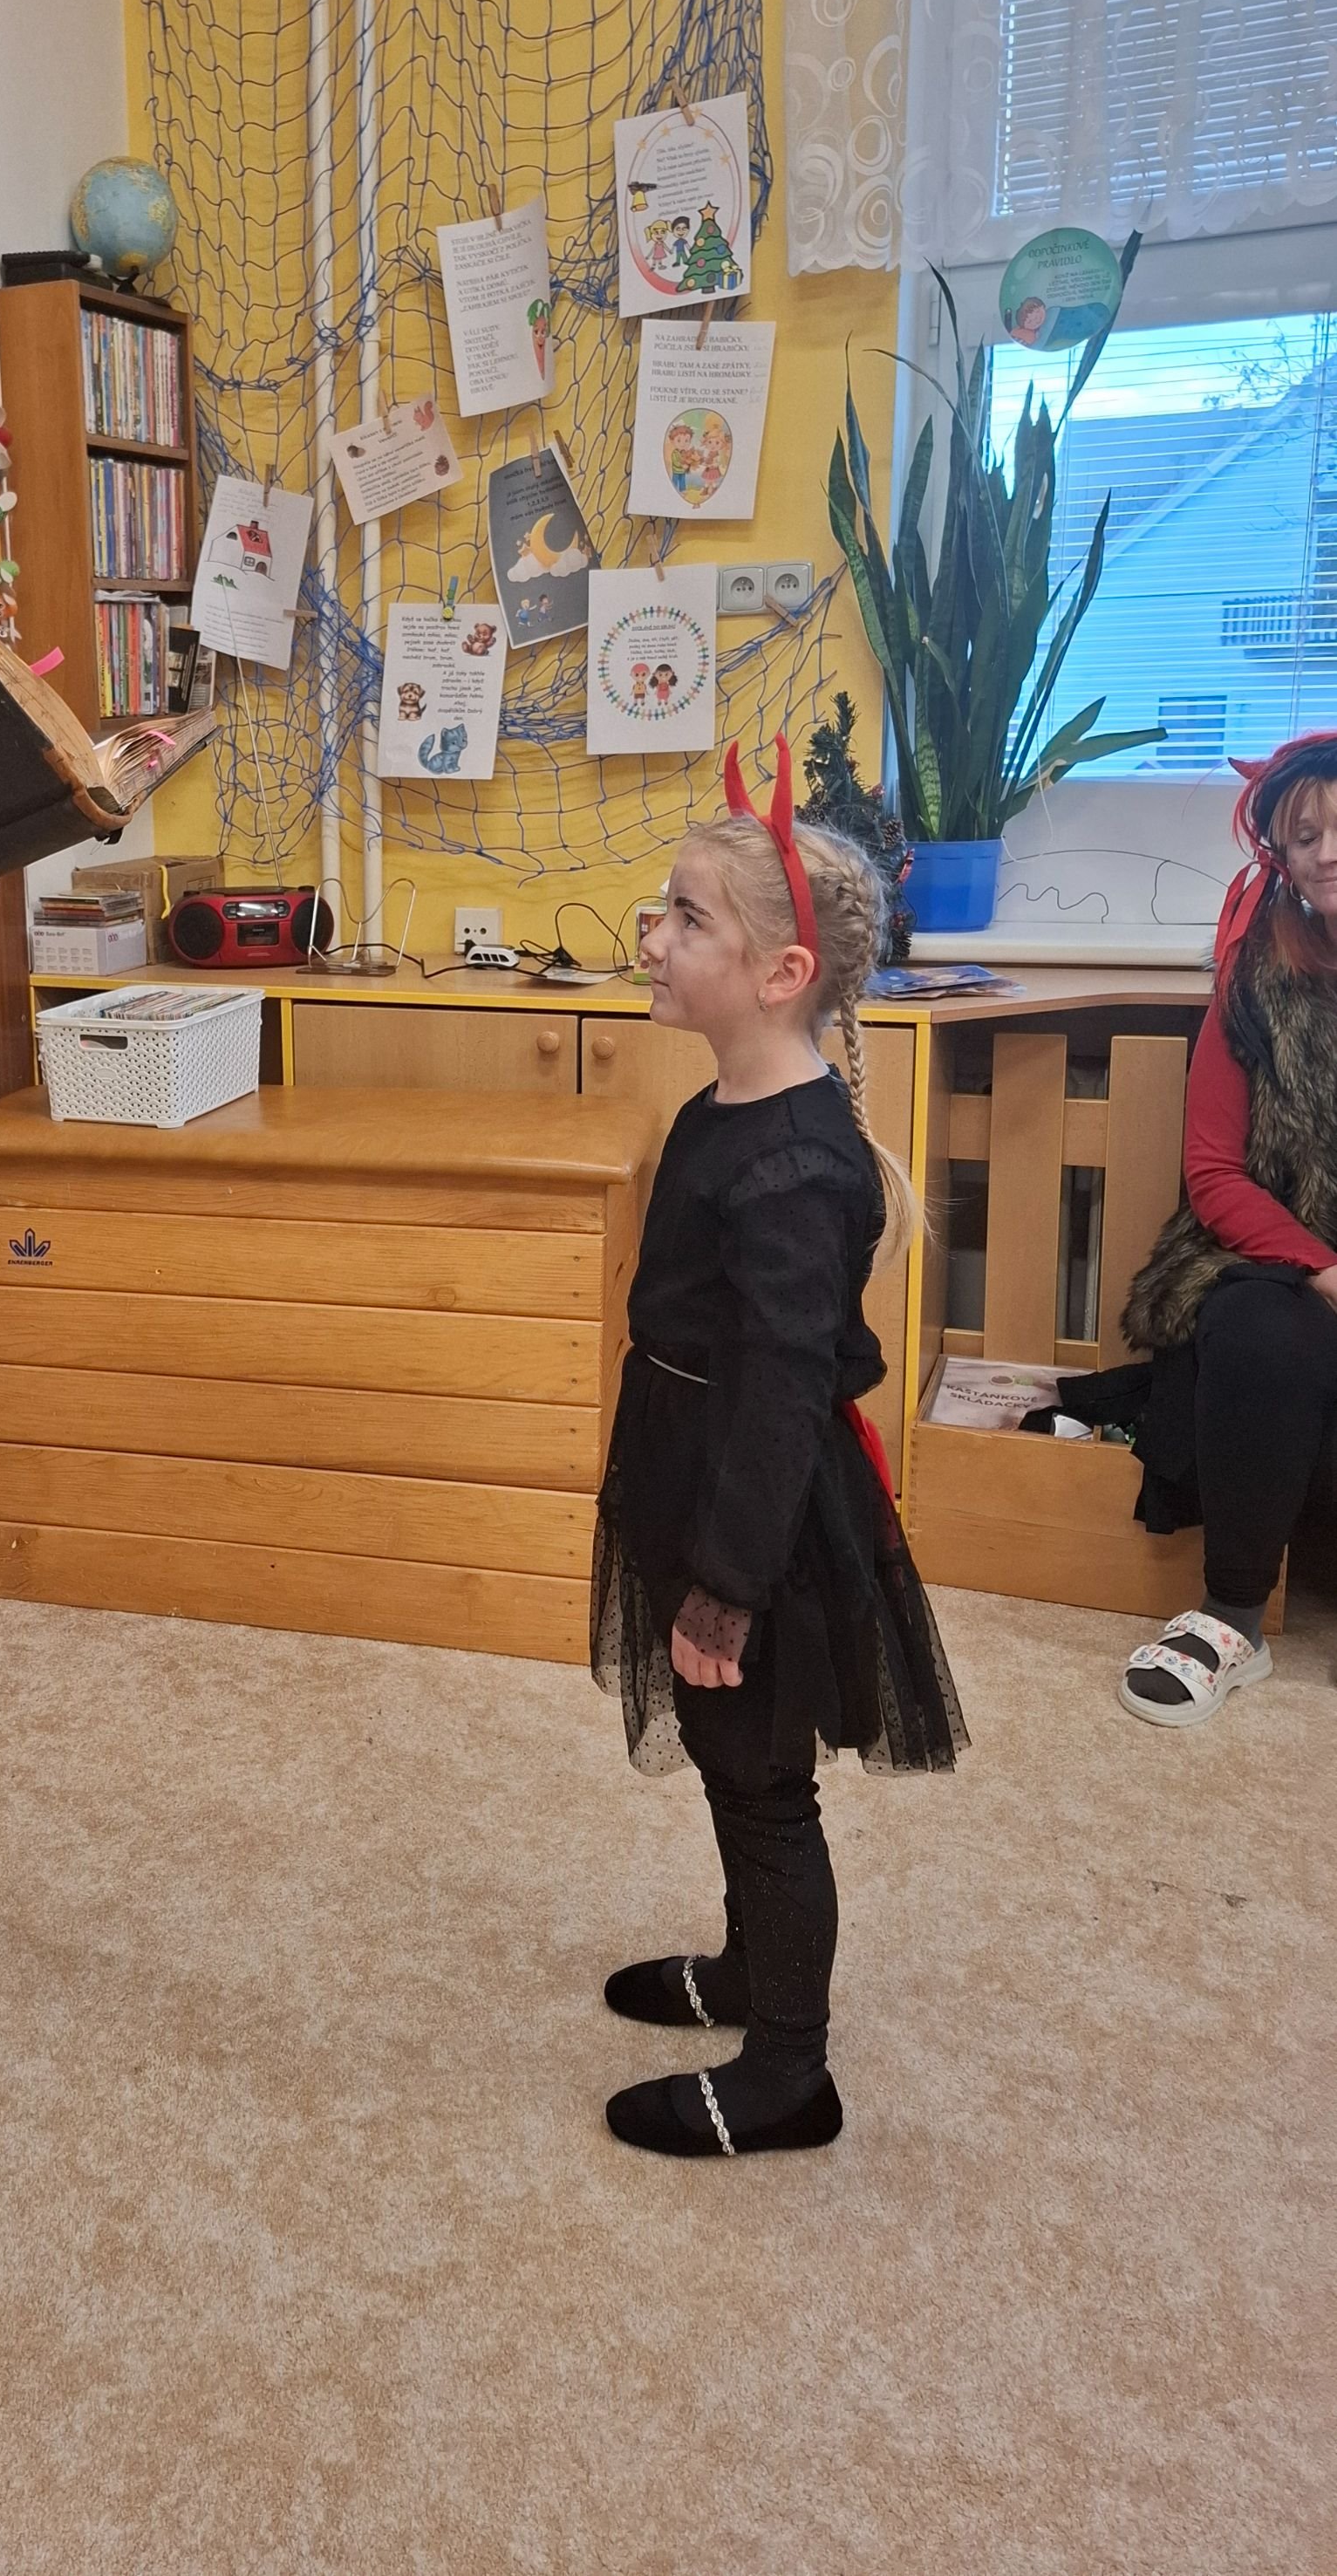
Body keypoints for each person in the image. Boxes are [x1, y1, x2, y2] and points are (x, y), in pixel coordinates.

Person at [594, 736, 965, 2160]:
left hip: (756, 1515)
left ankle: (792, 2069)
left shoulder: (798, 1163)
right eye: (664, 907)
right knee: (724, 1752)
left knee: (763, 1782)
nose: (653, 935)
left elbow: (781, 1393)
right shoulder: (722, 1107)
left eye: (688, 918)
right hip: (689, 1471)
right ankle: (752, 1970)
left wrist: (727, 1585)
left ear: (780, 973)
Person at [1111, 735, 1337, 1727]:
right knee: (1254, 1325)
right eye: (1306, 837)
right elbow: (1213, 1173)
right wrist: (1323, 1269)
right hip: (1278, 1262)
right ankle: (1231, 1615)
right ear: (1280, 856)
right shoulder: (1254, 983)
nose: (1327, 852)